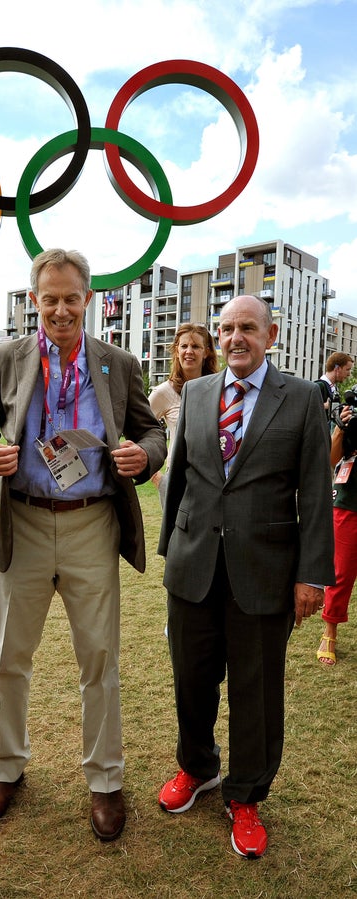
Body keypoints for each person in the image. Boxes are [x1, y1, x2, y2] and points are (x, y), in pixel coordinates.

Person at [0, 248, 166, 842]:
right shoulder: (5, 359)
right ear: (34, 301)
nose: (60, 309)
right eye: (48, 298)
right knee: (9, 657)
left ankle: (105, 779)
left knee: (99, 660)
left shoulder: (118, 363)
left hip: (92, 523)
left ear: (88, 300)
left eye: (71, 297)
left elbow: (150, 429)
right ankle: (6, 767)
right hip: (22, 522)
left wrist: (143, 455)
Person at [157, 294, 334, 859]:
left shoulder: (303, 399)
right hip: (194, 568)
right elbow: (181, 475)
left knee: (256, 692)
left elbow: (315, 492)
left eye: (248, 329)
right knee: (192, 678)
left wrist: (311, 576)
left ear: (271, 334)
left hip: (266, 573)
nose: (236, 338)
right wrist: (169, 549)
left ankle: (247, 795)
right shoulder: (199, 392)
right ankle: (197, 768)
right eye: (227, 328)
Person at [149, 323, 219, 504]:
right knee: (176, 533)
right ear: (176, 351)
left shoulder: (220, 389)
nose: (189, 351)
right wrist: (157, 478)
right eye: (184, 346)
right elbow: (140, 429)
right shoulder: (163, 392)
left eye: (196, 346)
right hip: (177, 480)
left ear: (207, 352)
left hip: (214, 480)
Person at [317, 402, 357, 666]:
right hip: (350, 504)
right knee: (341, 573)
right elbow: (330, 460)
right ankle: (329, 632)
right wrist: (341, 428)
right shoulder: (353, 415)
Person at [315, 352, 353, 425]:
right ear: (337, 368)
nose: (349, 374)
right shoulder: (318, 386)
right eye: (347, 369)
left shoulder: (334, 388)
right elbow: (305, 409)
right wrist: (325, 406)